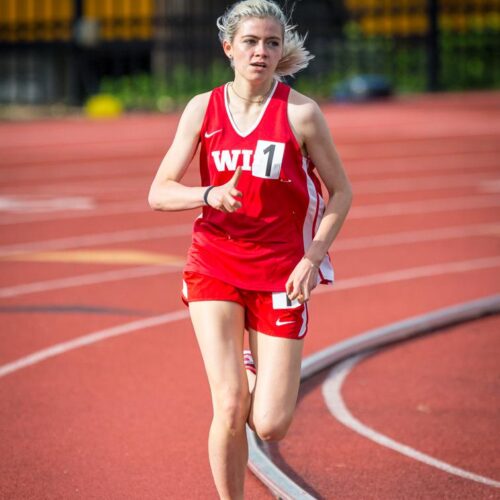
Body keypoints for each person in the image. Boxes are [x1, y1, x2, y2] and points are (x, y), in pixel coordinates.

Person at [148, 1, 353, 498]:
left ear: (281, 52)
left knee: (271, 424)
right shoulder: (203, 108)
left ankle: (251, 366)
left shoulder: (301, 114)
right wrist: (209, 194)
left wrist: (312, 258)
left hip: (282, 272)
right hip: (215, 262)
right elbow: (158, 192)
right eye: (250, 42)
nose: (261, 52)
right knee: (229, 405)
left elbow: (341, 192)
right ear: (229, 48)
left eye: (271, 43)